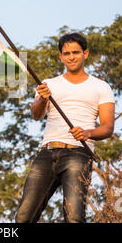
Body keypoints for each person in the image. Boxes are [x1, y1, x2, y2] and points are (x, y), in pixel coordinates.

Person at [15, 32, 115, 223]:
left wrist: (87, 133)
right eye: (66, 53)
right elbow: (36, 115)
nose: (71, 57)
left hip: (78, 154)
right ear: (61, 56)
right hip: (47, 152)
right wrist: (43, 98)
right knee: (23, 216)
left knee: (74, 217)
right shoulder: (49, 84)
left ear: (85, 54)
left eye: (75, 52)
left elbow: (108, 127)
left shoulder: (101, 87)